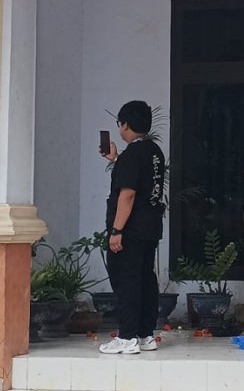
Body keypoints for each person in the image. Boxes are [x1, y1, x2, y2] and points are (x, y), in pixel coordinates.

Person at [97, 101, 166, 355]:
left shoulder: (132, 155)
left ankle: (126, 337)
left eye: (120, 124)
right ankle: (145, 334)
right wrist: (116, 160)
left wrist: (116, 231)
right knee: (146, 279)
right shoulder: (154, 151)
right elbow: (144, 181)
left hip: (130, 229)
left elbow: (128, 195)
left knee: (127, 281)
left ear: (125, 124)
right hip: (150, 227)